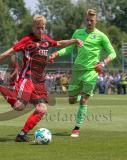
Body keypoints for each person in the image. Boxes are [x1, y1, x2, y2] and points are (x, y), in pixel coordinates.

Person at [0, 15, 83, 142]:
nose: (41, 30)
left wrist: (74, 40)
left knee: (42, 109)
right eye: (38, 28)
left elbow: (59, 43)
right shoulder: (27, 40)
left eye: (43, 27)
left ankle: (22, 135)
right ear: (33, 27)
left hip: (39, 81)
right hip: (27, 78)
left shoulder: (45, 40)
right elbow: (9, 52)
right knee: (19, 107)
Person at [49, 9, 116, 137]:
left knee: (84, 100)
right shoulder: (78, 33)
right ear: (85, 20)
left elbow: (113, 53)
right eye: (87, 20)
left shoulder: (101, 36)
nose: (89, 22)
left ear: (96, 21)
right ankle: (77, 96)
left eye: (92, 20)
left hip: (91, 72)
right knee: (72, 100)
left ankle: (76, 128)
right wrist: (56, 54)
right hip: (77, 71)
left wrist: (103, 63)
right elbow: (69, 48)